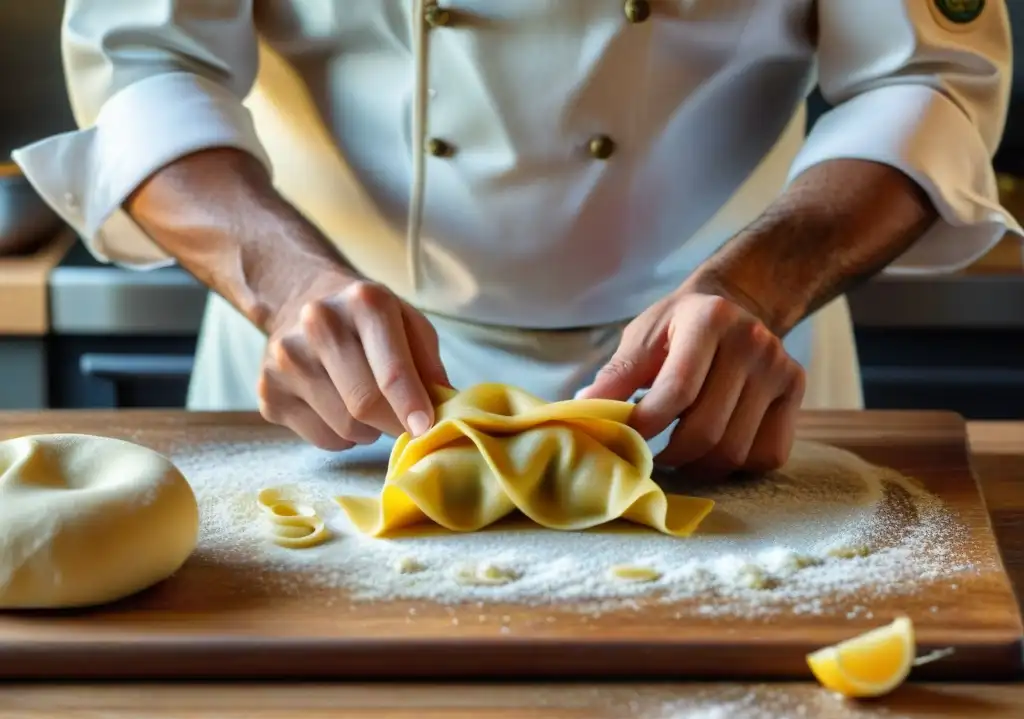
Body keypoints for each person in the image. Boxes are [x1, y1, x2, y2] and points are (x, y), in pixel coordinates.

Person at [14, 0, 1020, 479]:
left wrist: (757, 287)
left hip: (729, 367)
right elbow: (144, 67)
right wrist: (282, 283)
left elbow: (924, 84)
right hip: (324, 379)